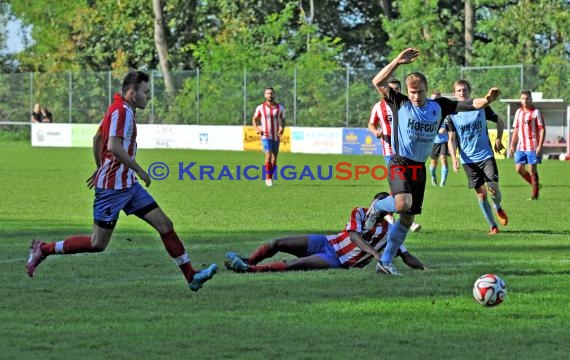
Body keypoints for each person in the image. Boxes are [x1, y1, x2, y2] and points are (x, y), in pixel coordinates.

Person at [26, 70, 217, 292]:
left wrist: (101, 167)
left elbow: (97, 138)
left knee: (165, 225)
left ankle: (191, 276)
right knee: (98, 243)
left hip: (129, 186)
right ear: (131, 92)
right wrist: (138, 170)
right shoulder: (121, 112)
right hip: (112, 189)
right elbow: (113, 146)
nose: (149, 96)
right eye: (146, 92)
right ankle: (44, 249)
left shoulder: (120, 109)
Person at [365, 48, 501, 276]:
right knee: (401, 204)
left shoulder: (439, 106)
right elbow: (377, 80)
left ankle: (385, 262)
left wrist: (487, 100)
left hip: (419, 167)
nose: (416, 96)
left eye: (419, 92)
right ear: (407, 92)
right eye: (412, 92)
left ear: (427, 90)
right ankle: (378, 207)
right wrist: (398, 61)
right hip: (400, 161)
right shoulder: (400, 103)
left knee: (407, 218)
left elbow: (469, 104)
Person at [224, 192, 424, 273]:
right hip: (326, 242)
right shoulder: (360, 212)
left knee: (293, 265)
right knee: (277, 243)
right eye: (374, 204)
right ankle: (249, 261)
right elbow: (353, 235)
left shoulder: (389, 231)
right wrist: (374, 254)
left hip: (337, 259)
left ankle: (248, 270)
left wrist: (424, 270)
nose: (374, 208)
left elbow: (406, 255)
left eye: (379, 206)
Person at [447, 79, 509, 235]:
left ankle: (498, 207)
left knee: (493, 189)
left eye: (465, 90)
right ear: (455, 93)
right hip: (468, 160)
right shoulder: (452, 114)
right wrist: (454, 158)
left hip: (486, 155)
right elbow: (451, 138)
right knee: (481, 194)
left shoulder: (480, 107)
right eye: (459, 90)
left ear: (469, 91)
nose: (462, 93)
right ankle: (493, 226)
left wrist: (499, 138)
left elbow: (499, 121)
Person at [368, 78, 421, 232]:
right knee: (401, 183)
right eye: (391, 88)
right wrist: (376, 131)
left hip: (407, 150)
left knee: (409, 183)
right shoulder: (379, 107)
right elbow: (371, 123)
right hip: (389, 150)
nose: (394, 91)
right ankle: (407, 220)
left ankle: (388, 211)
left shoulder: (405, 105)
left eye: (397, 89)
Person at [509, 90, 545, 200]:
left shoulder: (536, 112)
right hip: (521, 146)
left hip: (532, 146)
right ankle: (536, 185)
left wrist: (540, 145)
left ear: (531, 99)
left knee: (532, 170)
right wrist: (512, 144)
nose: (525, 100)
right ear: (521, 99)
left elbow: (542, 130)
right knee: (519, 169)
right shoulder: (518, 112)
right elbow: (516, 129)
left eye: (527, 98)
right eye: (523, 98)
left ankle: (534, 195)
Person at [252, 87, 285, 187]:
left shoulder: (280, 108)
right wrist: (256, 128)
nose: (269, 95)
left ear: (274, 94)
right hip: (265, 135)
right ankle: (267, 178)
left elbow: (283, 120)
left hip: (276, 136)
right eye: (267, 93)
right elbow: (254, 119)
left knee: (274, 159)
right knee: (268, 155)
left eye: (271, 93)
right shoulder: (260, 108)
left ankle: (270, 177)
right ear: (264, 95)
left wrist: (282, 127)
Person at [429, 119, 450, 187]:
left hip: (444, 141)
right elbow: (428, 127)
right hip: (434, 142)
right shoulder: (432, 114)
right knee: (434, 162)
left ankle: (442, 182)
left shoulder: (445, 113)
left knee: (443, 158)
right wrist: (438, 130)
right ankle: (433, 176)